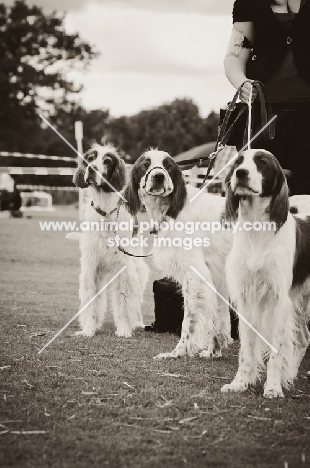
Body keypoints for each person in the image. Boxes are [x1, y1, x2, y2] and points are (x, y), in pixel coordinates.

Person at [224, 0, 310, 195]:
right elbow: (234, 55)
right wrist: (242, 82)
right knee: (261, 195)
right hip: (262, 119)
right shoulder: (247, 4)